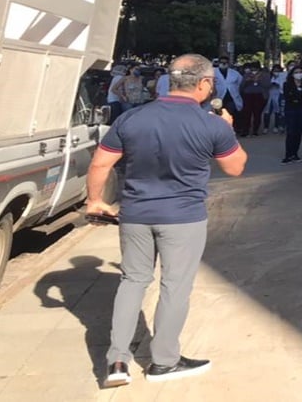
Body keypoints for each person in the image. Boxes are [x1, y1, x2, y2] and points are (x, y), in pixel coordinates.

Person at [84, 54, 247, 387]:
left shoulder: (132, 118)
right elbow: (235, 168)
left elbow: (101, 164)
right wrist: (228, 131)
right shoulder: (211, 124)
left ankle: (117, 361)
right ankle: (164, 362)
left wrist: (95, 201)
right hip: (183, 218)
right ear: (204, 84)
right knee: (175, 287)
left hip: (135, 214)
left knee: (132, 281)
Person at [281, 66, 302, 164]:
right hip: (291, 111)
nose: (299, 74)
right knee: (291, 132)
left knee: (298, 133)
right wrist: (301, 97)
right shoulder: (287, 84)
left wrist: (300, 98)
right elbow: (289, 97)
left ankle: (295, 153)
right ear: (292, 74)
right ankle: (288, 154)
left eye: (300, 72)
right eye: (296, 72)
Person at [213, 57, 243, 135]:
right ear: (218, 63)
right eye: (222, 62)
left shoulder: (234, 73)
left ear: (228, 63)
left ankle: (232, 130)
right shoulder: (212, 72)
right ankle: (219, 132)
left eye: (225, 62)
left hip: (231, 98)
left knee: (231, 114)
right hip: (218, 98)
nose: (223, 64)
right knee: (218, 116)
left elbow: (241, 83)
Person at [239, 62, 268, 136]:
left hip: (259, 95)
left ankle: (255, 130)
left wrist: (259, 80)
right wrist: (247, 81)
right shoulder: (247, 75)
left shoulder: (264, 75)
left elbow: (267, 85)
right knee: (247, 113)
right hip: (248, 95)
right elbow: (241, 86)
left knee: (257, 114)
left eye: (255, 69)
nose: (253, 70)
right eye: (252, 69)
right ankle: (246, 130)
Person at [263, 64, 286, 134]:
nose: (276, 72)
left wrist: (278, 85)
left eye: (278, 71)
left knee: (277, 112)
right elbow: (265, 85)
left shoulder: (283, 77)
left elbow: (283, 85)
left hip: (278, 95)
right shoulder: (269, 77)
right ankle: (266, 127)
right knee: (267, 112)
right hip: (269, 95)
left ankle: (276, 126)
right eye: (275, 70)